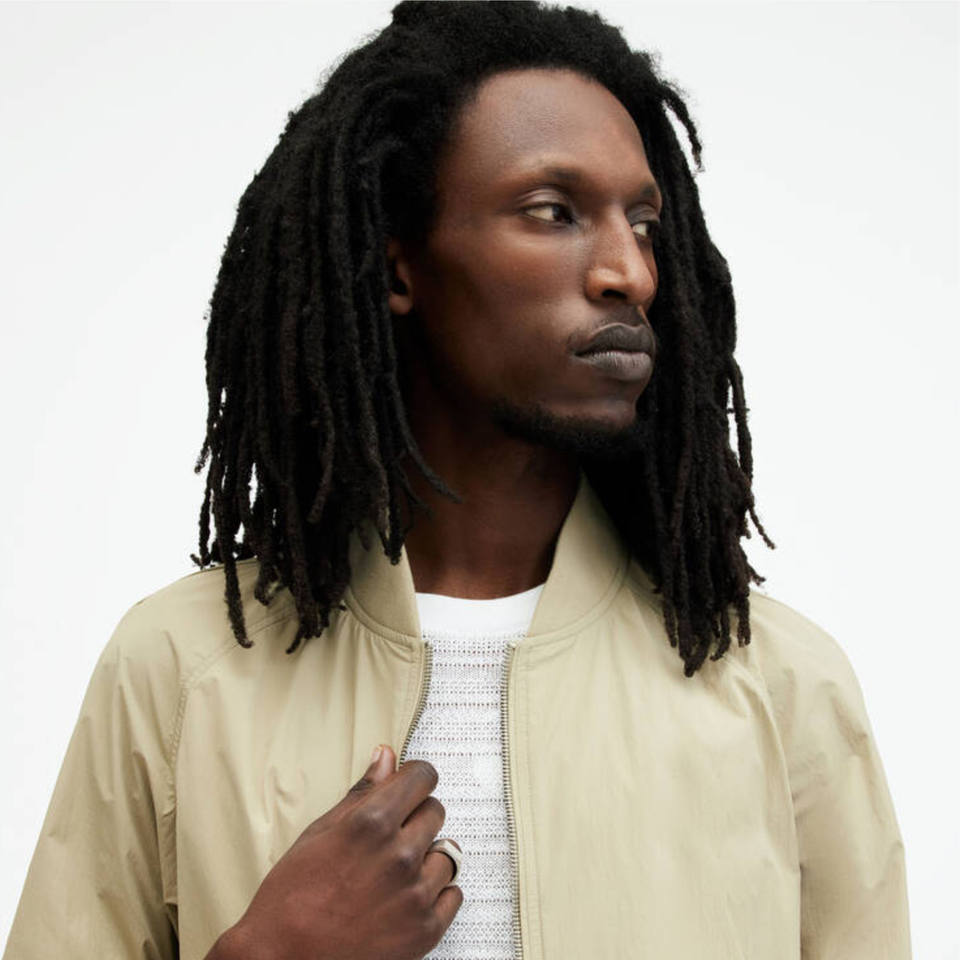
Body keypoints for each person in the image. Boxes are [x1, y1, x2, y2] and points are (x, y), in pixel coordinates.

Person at [3, 2, 912, 959]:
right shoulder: (182, 670)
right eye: (553, 211)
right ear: (398, 268)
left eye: (643, 222)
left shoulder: (777, 685)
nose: (630, 272)